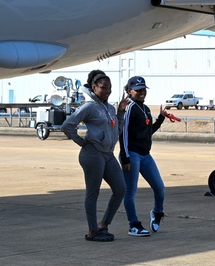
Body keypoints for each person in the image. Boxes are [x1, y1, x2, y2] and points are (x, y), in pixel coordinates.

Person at [61, 69, 127, 242]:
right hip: (93, 154)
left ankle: (103, 224)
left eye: (110, 88)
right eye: (104, 87)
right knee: (93, 193)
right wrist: (81, 141)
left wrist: (120, 112)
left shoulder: (109, 108)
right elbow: (67, 125)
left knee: (120, 189)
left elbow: (117, 130)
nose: (107, 91)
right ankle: (92, 231)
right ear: (93, 87)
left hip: (108, 154)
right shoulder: (89, 107)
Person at [118, 76, 167, 236]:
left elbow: (147, 133)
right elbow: (123, 134)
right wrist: (125, 157)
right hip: (131, 154)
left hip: (145, 155)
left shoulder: (144, 108)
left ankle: (157, 212)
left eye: (143, 89)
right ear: (129, 91)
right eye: (137, 90)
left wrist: (160, 119)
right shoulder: (130, 108)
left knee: (159, 188)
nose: (141, 92)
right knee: (131, 191)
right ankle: (133, 224)